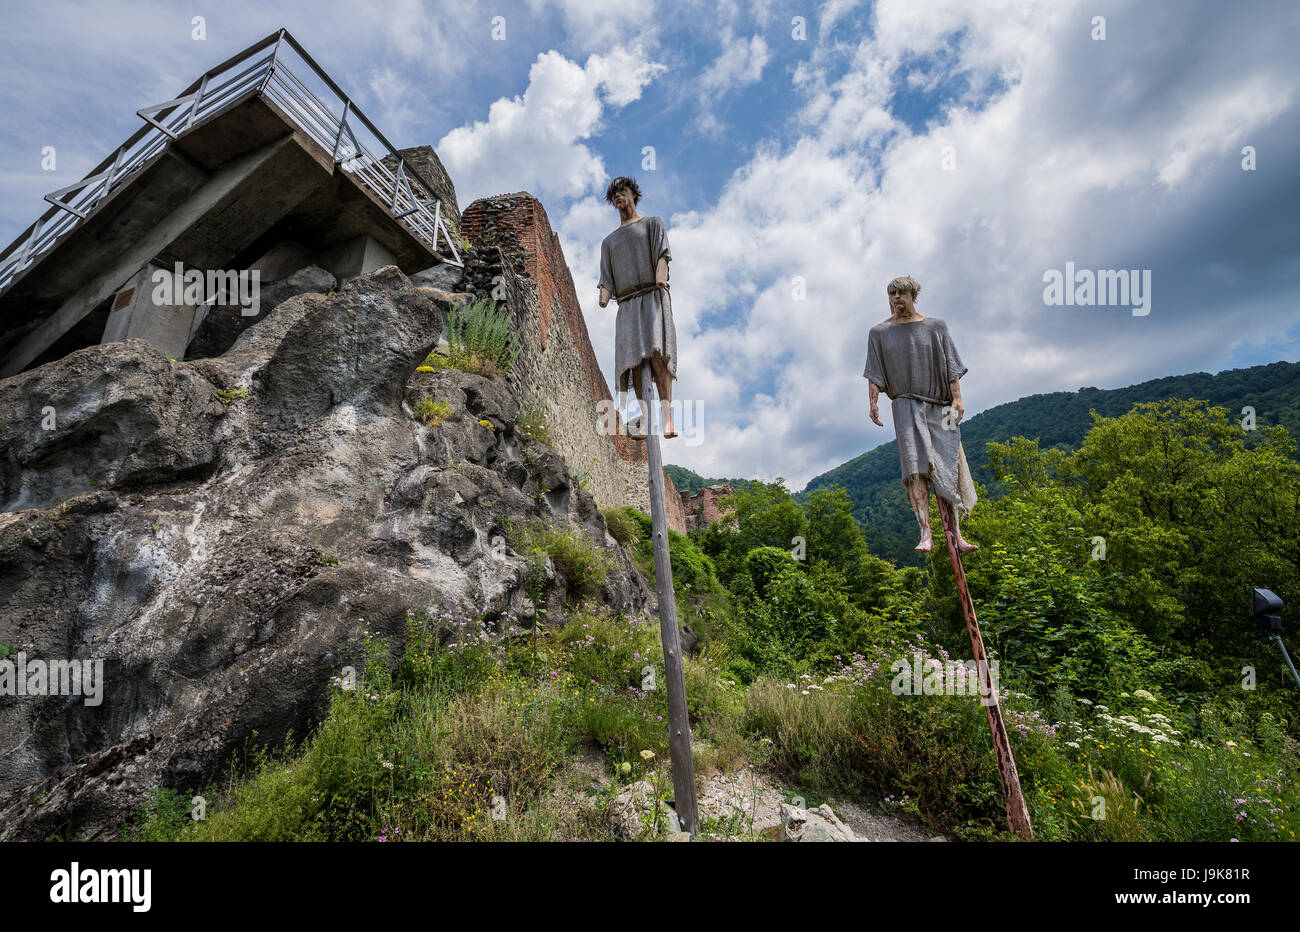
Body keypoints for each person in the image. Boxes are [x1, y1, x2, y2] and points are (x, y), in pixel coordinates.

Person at [864, 275, 978, 553]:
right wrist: (873, 403)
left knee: (948, 464)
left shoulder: (936, 327)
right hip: (904, 405)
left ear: (913, 295)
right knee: (915, 469)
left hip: (941, 405)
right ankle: (926, 532)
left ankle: (957, 537)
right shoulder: (879, 333)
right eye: (892, 294)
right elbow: (874, 373)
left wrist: (958, 398)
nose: (896, 299)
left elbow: (951, 366)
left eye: (901, 294)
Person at [597, 176, 678, 439]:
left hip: (653, 295)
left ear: (633, 193)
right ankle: (647, 417)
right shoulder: (609, 242)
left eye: (623, 192)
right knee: (635, 362)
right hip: (628, 303)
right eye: (614, 196)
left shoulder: (652, 223)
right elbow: (606, 277)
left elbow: (662, 254)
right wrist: (603, 295)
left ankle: (667, 417)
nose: (619, 197)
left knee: (657, 355)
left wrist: (660, 277)